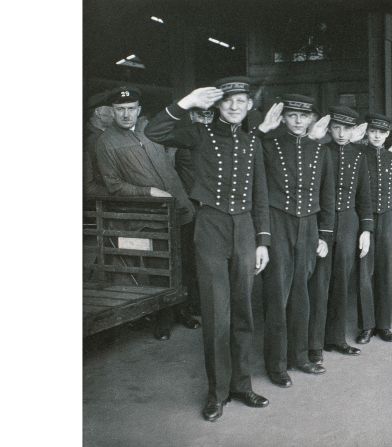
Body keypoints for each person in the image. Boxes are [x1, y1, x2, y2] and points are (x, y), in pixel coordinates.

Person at [143, 78, 271, 421]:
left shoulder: (251, 142)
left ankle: (242, 385)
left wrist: (263, 241)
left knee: (244, 310)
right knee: (217, 314)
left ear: (248, 106)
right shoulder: (199, 135)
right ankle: (217, 393)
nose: (234, 106)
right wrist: (185, 102)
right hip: (210, 226)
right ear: (216, 104)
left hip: (244, 229)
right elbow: (155, 132)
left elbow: (261, 195)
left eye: (241, 101)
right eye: (228, 100)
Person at [95, 86, 201, 340]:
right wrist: (148, 192)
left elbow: (175, 162)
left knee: (186, 263)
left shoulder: (151, 130)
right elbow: (113, 185)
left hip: (181, 208)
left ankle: (183, 310)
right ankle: (163, 319)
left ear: (139, 110)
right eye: (120, 109)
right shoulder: (105, 143)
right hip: (150, 218)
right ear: (112, 112)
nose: (126, 114)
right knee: (158, 270)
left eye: (131, 109)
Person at [257, 94, 335, 387]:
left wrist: (325, 234)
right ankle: (276, 364)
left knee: (303, 293)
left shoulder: (321, 151)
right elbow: (260, 194)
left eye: (304, 116)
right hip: (278, 223)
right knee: (278, 294)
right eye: (292, 115)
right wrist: (263, 235)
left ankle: (300, 357)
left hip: (309, 226)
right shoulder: (269, 146)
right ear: (283, 118)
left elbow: (327, 196)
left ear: (311, 119)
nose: (299, 121)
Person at [306, 105, 373, 365]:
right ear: (329, 128)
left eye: (347, 128)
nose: (342, 133)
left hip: (348, 223)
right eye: (336, 127)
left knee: (342, 282)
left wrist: (366, 229)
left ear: (355, 130)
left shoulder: (359, 156)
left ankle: (337, 338)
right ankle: (314, 344)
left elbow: (364, 197)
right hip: (322, 220)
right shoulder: (319, 151)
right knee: (319, 283)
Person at [356, 113, 392, 343]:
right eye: (373, 131)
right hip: (364, 219)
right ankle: (366, 325)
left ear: (388, 135)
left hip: (388, 217)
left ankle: (383, 325)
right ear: (367, 132)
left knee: (385, 271)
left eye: (382, 132)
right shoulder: (358, 155)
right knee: (365, 273)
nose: (377, 135)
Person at [84, 91, 113, 195]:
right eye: (112, 109)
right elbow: (88, 186)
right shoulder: (90, 140)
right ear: (98, 112)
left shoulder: (103, 137)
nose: (117, 113)